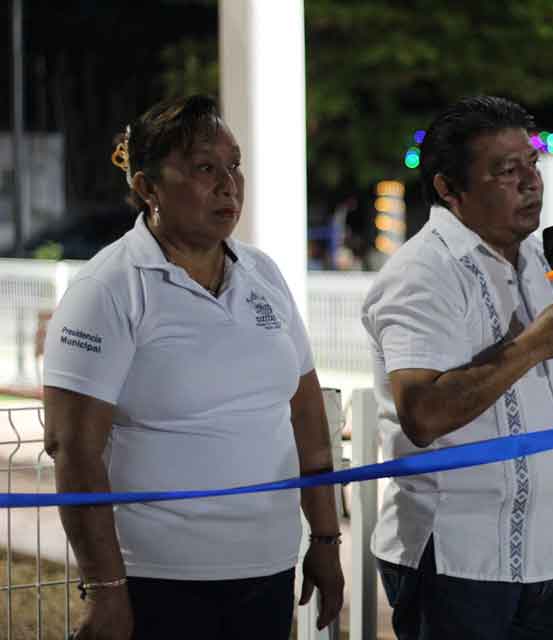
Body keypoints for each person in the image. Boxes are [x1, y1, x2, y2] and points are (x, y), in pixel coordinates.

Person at [361, 95, 553, 640]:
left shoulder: (534, 258)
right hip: (458, 556)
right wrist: (533, 344)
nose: (531, 182)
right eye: (507, 171)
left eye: (532, 163)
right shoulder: (424, 273)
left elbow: (545, 379)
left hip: (542, 548)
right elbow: (423, 412)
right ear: (448, 188)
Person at [41, 95, 344, 640]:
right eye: (205, 167)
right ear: (147, 187)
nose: (229, 184)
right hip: (159, 582)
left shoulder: (264, 274)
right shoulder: (107, 288)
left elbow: (305, 414)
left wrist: (324, 540)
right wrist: (107, 592)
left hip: (268, 571)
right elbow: (73, 447)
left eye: (234, 165)